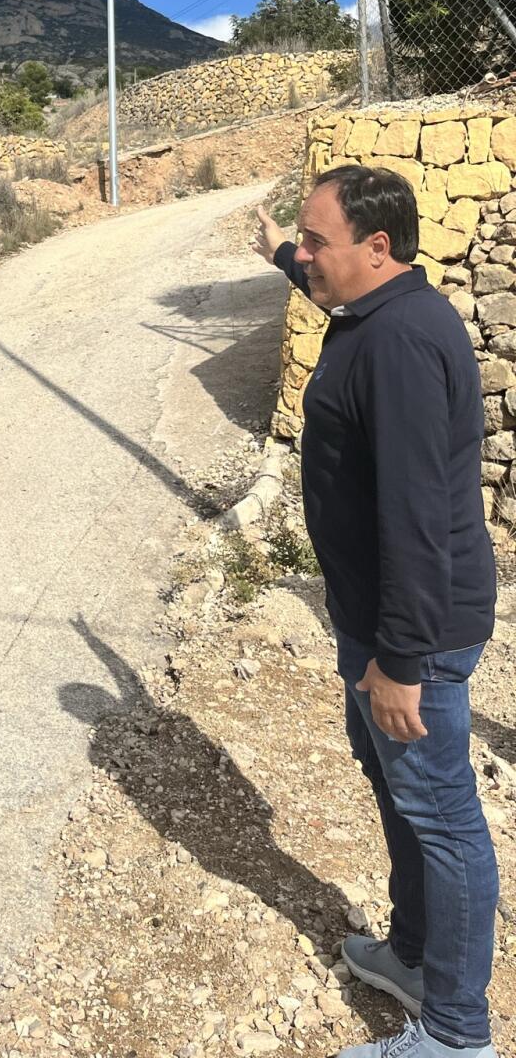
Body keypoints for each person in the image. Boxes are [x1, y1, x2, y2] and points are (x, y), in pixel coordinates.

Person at [253, 164, 498, 1058]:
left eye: (318, 242)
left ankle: (458, 1034)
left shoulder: (398, 344)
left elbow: (416, 517)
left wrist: (399, 658)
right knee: (400, 791)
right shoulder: (374, 310)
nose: (308, 255)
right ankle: (415, 954)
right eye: (304, 242)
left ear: (378, 246)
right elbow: (324, 284)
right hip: (375, 622)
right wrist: (276, 249)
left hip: (413, 637)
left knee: (441, 815)